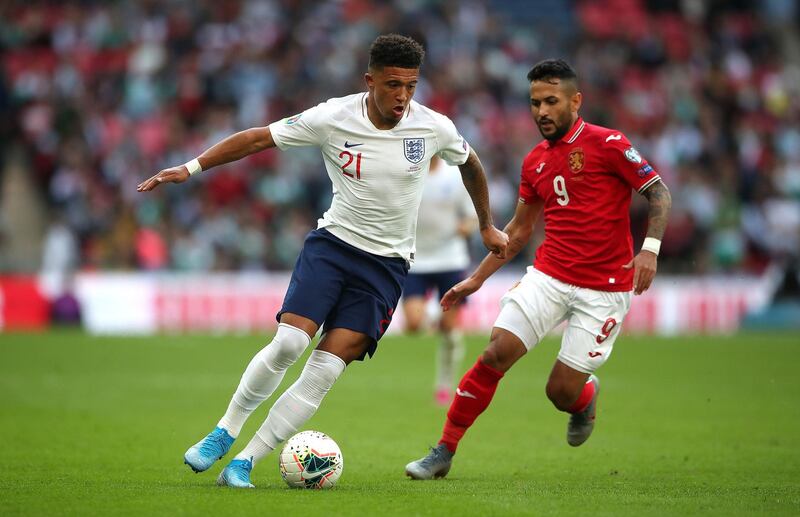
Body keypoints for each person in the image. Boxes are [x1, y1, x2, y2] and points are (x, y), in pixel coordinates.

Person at [137, 34, 508, 488]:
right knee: (290, 343)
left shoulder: (433, 127)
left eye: (411, 86)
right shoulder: (333, 116)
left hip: (386, 267)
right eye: (393, 85)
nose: (403, 97)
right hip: (333, 248)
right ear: (370, 81)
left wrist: (486, 224)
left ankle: (246, 462)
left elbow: (470, 162)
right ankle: (223, 432)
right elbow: (258, 139)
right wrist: (190, 168)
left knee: (325, 370)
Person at [405, 59, 672, 480]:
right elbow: (519, 230)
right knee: (495, 352)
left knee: (559, 391)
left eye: (551, 101)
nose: (542, 112)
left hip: (604, 289)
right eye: (535, 103)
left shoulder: (610, 144)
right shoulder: (535, 163)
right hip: (549, 276)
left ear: (575, 101)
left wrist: (650, 250)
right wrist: (474, 281)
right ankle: (443, 451)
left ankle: (584, 397)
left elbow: (658, 193)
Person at [402, 155, 477, 406]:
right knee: (412, 324)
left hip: (450, 259)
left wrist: (466, 227)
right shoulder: (407, 173)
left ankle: (444, 385)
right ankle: (435, 314)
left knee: (450, 330)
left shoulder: (454, 176)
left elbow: (472, 216)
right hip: (416, 259)